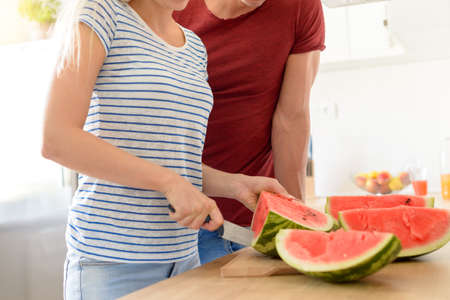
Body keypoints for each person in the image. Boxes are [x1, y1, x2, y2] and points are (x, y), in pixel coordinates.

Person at [42, 0, 287, 298]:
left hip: (185, 260)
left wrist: (234, 185)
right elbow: (57, 139)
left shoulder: (195, 48)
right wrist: (168, 182)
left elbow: (173, 160)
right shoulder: (101, 14)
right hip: (112, 265)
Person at [173, 0, 325, 264]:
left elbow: (292, 119)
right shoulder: (168, 6)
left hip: (244, 226)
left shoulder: (301, 6)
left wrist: (295, 217)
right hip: (163, 221)